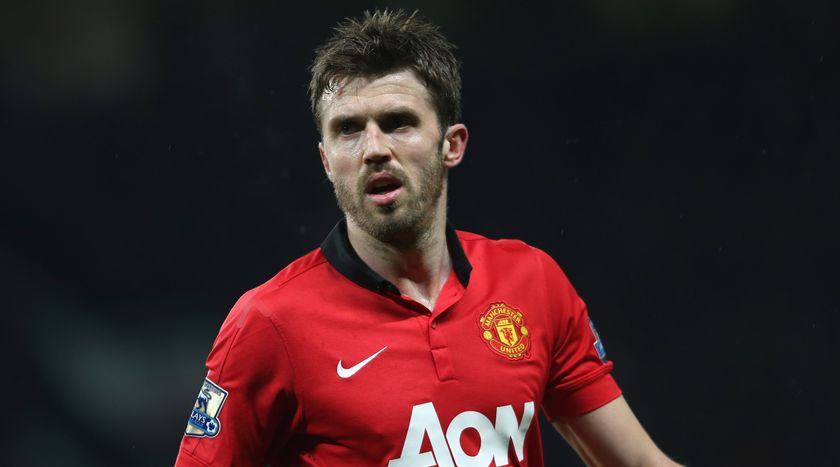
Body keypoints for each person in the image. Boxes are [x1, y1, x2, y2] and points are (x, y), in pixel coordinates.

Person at [175, 9, 681, 466]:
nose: (374, 148)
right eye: (349, 129)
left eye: (398, 123)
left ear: (451, 145)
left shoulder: (532, 283)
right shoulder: (270, 324)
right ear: (327, 161)